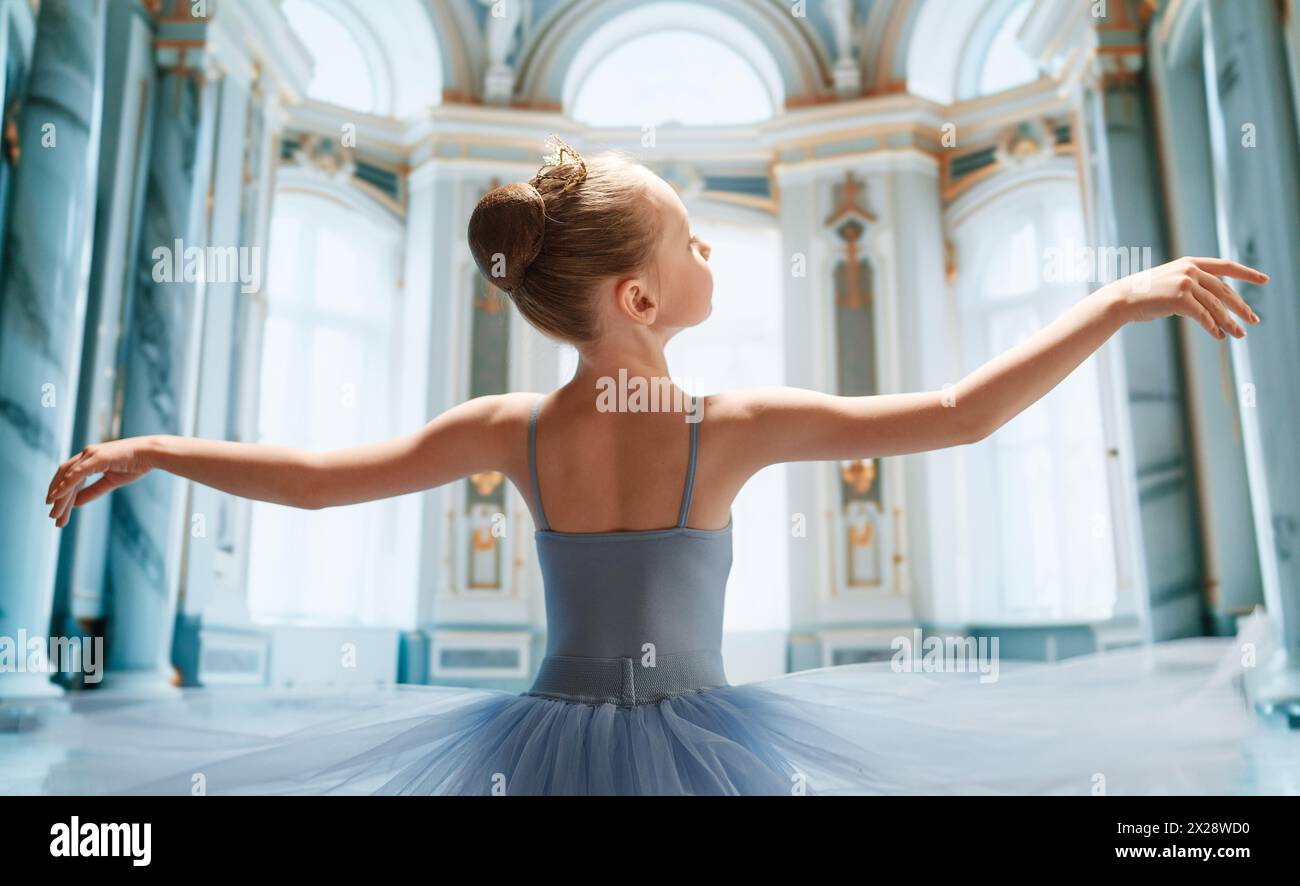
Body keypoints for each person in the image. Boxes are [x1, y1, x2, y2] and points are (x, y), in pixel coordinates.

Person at [36, 135, 1275, 795]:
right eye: (690, 236)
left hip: (534, 742)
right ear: (639, 294)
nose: (706, 248)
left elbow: (312, 477)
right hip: (706, 745)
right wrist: (1120, 299)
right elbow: (956, 413)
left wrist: (155, 447)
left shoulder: (512, 426)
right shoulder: (727, 424)